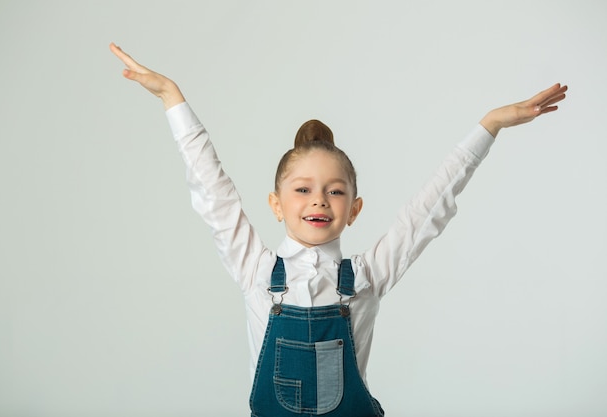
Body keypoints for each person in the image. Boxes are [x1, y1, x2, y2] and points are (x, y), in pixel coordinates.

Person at [109, 42, 567, 417]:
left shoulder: (369, 275)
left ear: (354, 208)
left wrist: (489, 126)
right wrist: (173, 99)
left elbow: (429, 207)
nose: (318, 201)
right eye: (303, 189)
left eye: (335, 191)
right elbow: (214, 192)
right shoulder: (254, 269)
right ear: (276, 204)